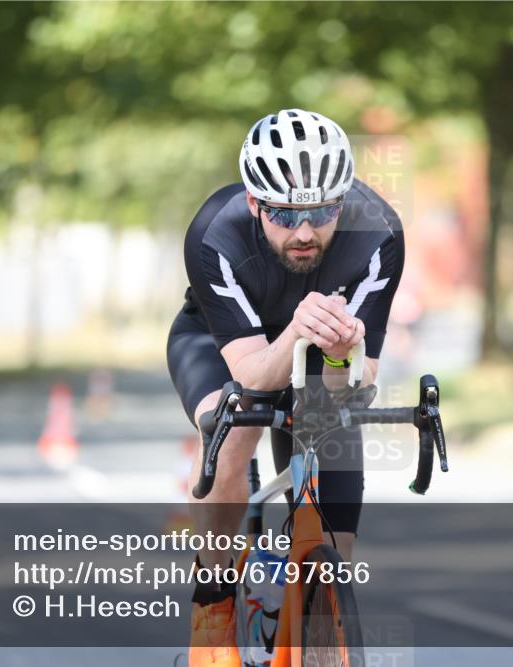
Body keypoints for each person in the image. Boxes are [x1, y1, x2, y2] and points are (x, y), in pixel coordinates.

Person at [166, 108, 405, 666]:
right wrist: (298, 328)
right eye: (282, 213)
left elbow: (358, 382)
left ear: (341, 202)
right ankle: (215, 605)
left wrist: (346, 354)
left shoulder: (379, 232)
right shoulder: (213, 232)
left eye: (322, 212)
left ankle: (307, 609)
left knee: (333, 463)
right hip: (220, 342)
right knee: (231, 434)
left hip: (320, 343)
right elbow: (250, 374)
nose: (304, 232)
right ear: (254, 204)